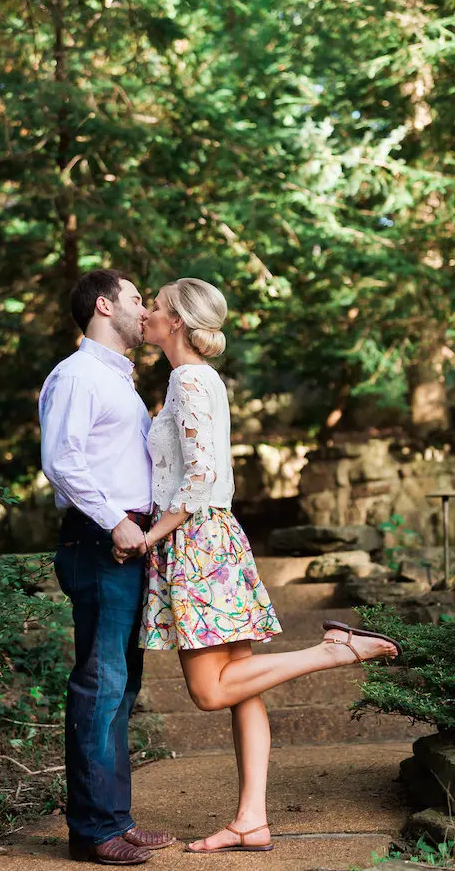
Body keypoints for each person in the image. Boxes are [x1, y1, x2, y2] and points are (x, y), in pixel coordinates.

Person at [113, 277, 401, 855]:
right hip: (210, 536)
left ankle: (335, 649)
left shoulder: (189, 379)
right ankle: (251, 821)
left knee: (209, 692)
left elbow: (196, 478)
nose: (145, 311)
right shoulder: (193, 380)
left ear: (177, 322)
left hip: (195, 540)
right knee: (242, 691)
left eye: (157, 305)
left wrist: (152, 535)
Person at [39, 269, 175, 865]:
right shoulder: (77, 376)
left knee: (122, 687)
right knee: (102, 684)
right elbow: (62, 461)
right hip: (99, 543)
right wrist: (115, 523)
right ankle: (94, 831)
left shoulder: (118, 379)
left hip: (129, 541)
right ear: (103, 305)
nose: (144, 309)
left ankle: (113, 819)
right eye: (136, 298)